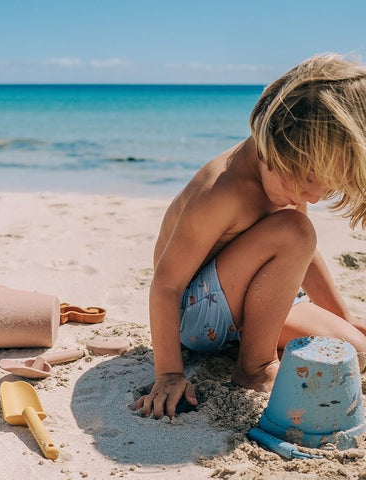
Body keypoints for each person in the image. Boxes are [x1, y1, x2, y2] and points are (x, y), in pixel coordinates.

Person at [135, 54, 366, 419]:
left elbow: (301, 255)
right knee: (296, 228)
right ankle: (253, 367)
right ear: (277, 141)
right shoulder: (223, 191)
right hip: (195, 314)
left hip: (249, 301)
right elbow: (166, 285)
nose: (315, 195)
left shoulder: (284, 179)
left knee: (354, 351)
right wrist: (168, 374)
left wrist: (344, 315)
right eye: (307, 178)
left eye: (325, 182)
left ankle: (253, 340)